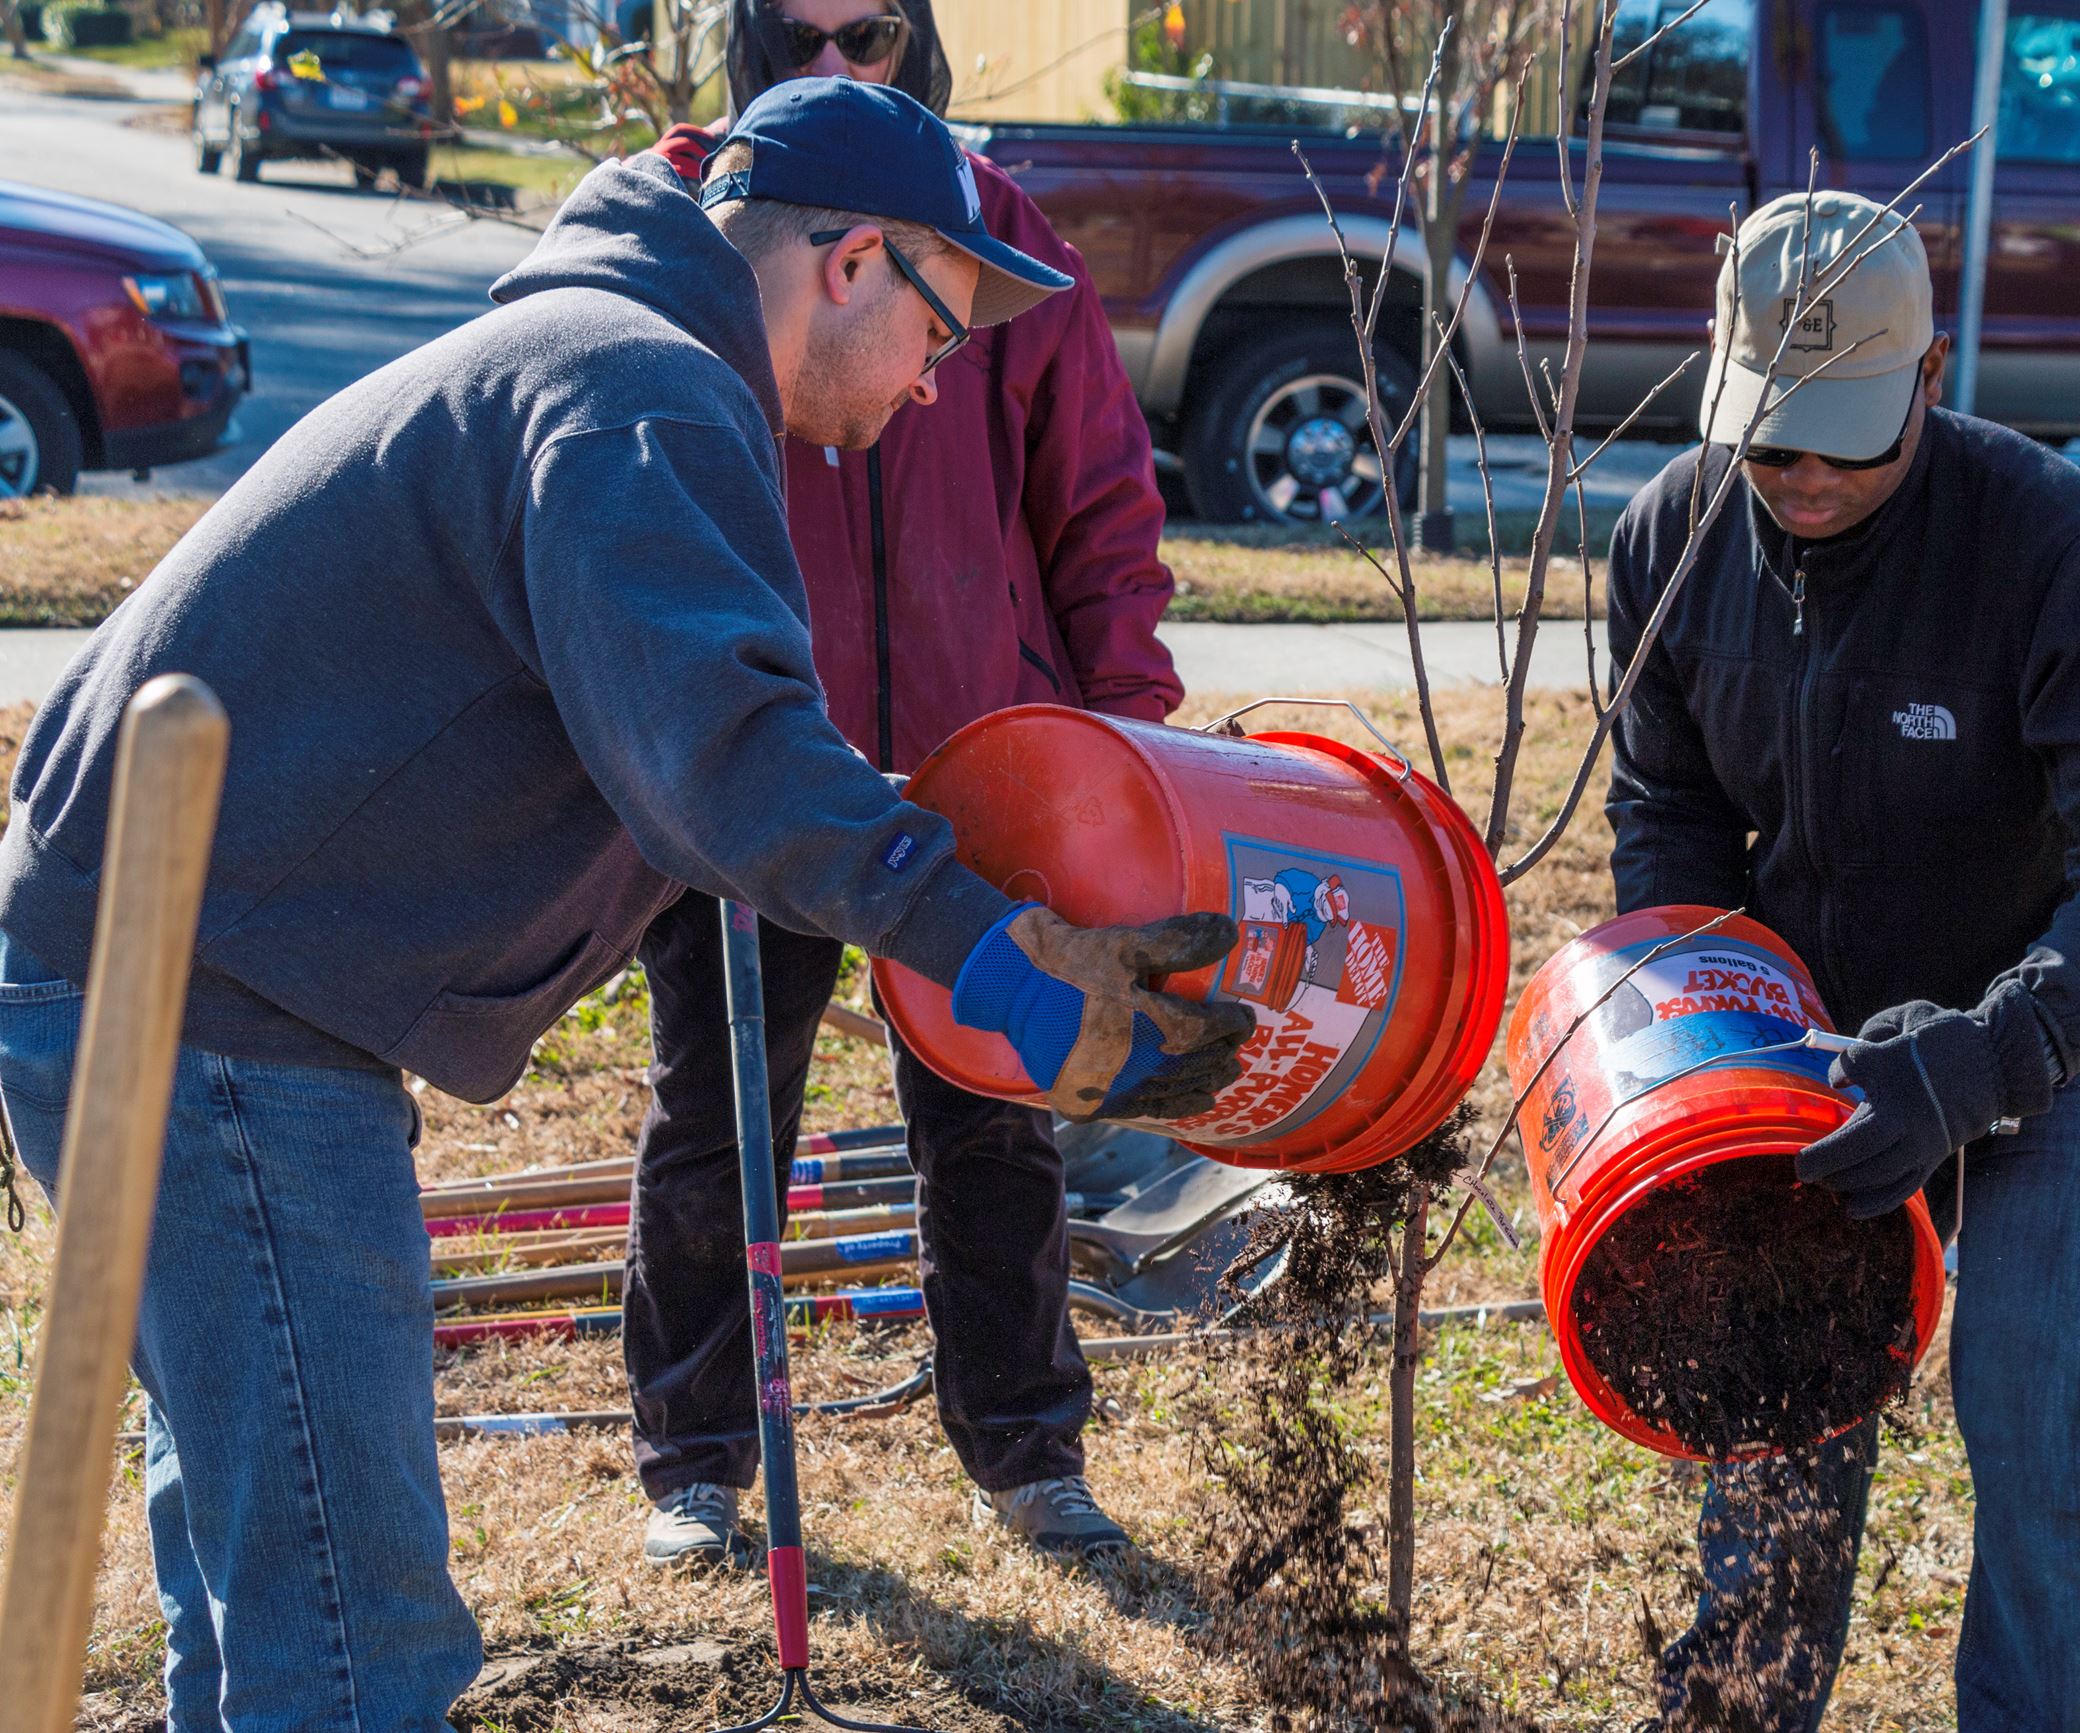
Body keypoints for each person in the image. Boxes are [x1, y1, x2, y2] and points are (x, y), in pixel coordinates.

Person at [0, 80, 1250, 1732]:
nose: (947, 380)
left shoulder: (614, 362)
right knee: (349, 1635)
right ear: (855, 260)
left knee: (268, 1586)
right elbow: (728, 759)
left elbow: (711, 762)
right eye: (945, 328)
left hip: (171, 975)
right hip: (207, 1014)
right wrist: (1013, 973)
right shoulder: (637, 391)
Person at [1607, 191, 2080, 1728]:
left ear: (1933, 376)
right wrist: (1716, 1034)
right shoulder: (1668, 544)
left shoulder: (2056, 550)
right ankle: (1741, 1710)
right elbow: (1667, 812)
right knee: (1775, 1392)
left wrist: (1986, 1055)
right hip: (1820, 1050)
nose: (1806, 475)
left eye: (1849, 439)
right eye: (1773, 440)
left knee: (2040, 1409)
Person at [619, 0, 1182, 1571]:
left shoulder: (993, 236)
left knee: (999, 1098)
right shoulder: (695, 232)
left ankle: (1026, 1448)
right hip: (757, 757)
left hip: (982, 757)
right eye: (797, 35)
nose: (837, 67)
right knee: (723, 1103)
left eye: (868, 33)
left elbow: (1098, 500)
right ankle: (697, 1455)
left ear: (917, 38)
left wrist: (1118, 738)